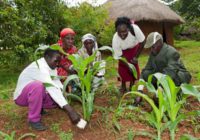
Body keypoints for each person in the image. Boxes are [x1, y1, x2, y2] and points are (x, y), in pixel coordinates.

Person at [13, 48, 80, 131]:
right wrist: (70, 111)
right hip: (21, 97)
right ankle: (33, 120)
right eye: (56, 61)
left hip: (33, 94)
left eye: (59, 62)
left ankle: (38, 109)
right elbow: (51, 87)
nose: (57, 64)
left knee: (57, 101)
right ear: (47, 57)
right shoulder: (40, 67)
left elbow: (57, 84)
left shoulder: (52, 67)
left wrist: (65, 97)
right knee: (38, 86)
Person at [135, 32, 192, 104]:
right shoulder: (153, 53)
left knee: (174, 78)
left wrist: (159, 91)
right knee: (147, 73)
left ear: (159, 43)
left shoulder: (172, 52)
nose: (151, 50)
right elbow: (146, 70)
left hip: (178, 76)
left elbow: (171, 72)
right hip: (163, 75)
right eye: (151, 48)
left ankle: (176, 94)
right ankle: (162, 91)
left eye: (153, 47)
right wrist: (139, 91)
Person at [112, 17, 145, 93]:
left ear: (128, 29)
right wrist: (127, 65)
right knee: (122, 68)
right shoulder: (115, 39)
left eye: (124, 31)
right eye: (119, 32)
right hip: (122, 52)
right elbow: (119, 56)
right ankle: (123, 85)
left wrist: (136, 57)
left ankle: (132, 85)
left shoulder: (135, 29)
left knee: (134, 66)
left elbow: (142, 42)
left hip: (134, 48)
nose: (122, 34)